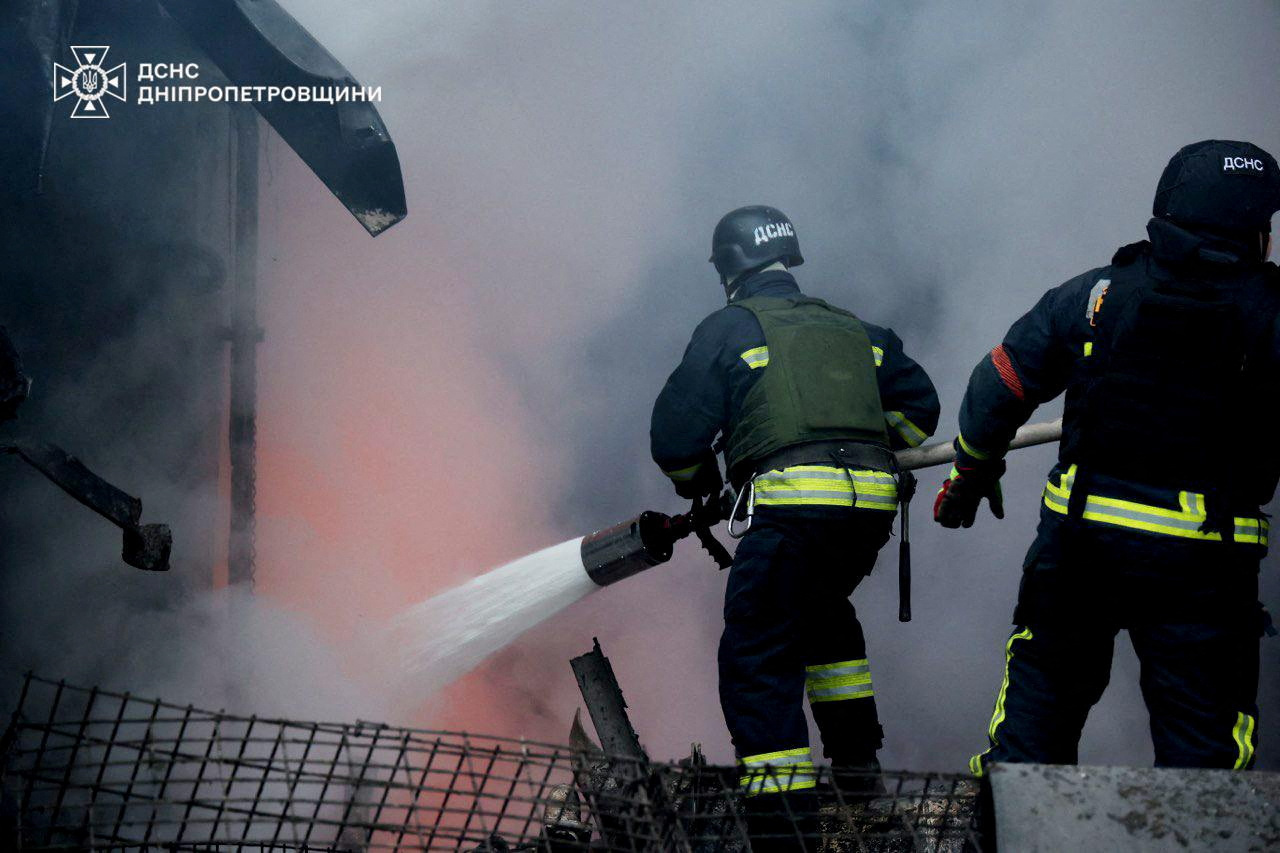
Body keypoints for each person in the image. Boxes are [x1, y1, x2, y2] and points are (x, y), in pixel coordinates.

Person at [934, 140, 1280, 775]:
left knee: (1033, 734)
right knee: (1203, 762)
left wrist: (973, 470)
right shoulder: (1271, 313)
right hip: (1204, 565)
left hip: (1078, 549)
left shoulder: (1098, 293)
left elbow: (1000, 382)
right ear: (1252, 230)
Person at [651, 205, 939, 843]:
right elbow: (921, 410)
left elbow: (675, 438)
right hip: (867, 512)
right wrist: (872, 447)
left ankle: (786, 831)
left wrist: (702, 488)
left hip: (790, 511)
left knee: (758, 656)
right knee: (824, 618)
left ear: (727, 270)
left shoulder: (728, 329)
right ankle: (860, 782)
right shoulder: (855, 328)